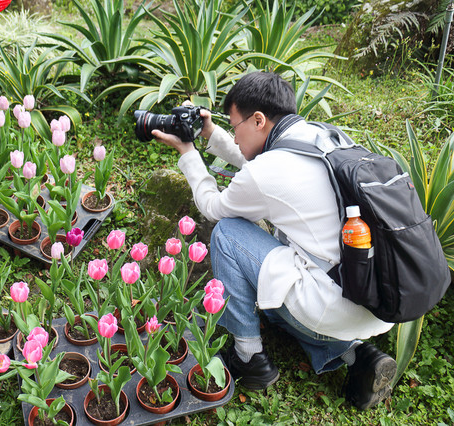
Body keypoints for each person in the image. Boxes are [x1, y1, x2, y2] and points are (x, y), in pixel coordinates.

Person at [151, 71, 397, 410]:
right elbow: (260, 163)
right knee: (276, 297)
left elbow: (213, 207)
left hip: (333, 301)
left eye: (235, 128)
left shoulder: (266, 170)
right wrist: (210, 133)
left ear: (258, 120)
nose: (234, 139)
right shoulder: (321, 136)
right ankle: (359, 355)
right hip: (373, 297)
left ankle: (249, 357)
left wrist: (187, 151)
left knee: (227, 233)